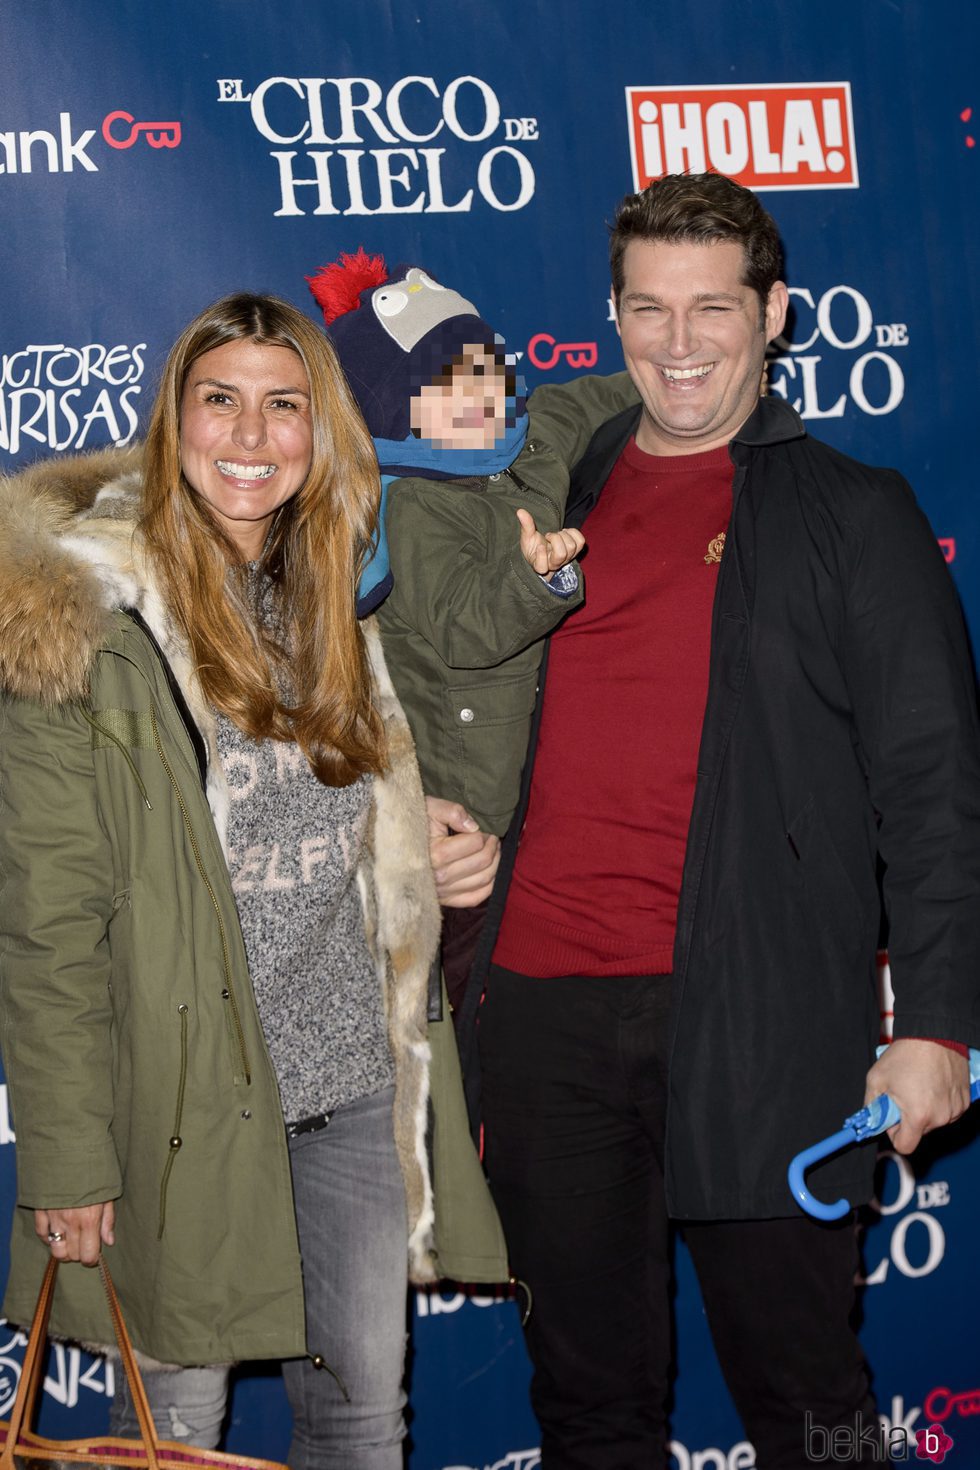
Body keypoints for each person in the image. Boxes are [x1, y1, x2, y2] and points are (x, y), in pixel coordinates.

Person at [454, 174, 980, 1467]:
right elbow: (456, 691)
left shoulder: (857, 513)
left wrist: (943, 1026)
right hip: (543, 1014)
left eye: (712, 309)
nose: (678, 343)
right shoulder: (550, 487)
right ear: (615, 315)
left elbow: (936, 788)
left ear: (774, 313)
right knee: (586, 1406)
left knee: (815, 1404)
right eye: (649, 308)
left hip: (761, 1015)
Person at [0, 292, 497, 1469]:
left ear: (320, 432)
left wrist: (420, 830)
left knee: (363, 1424)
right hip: (178, 1105)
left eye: (285, 407)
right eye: (219, 401)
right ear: (172, 422)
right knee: (181, 1439)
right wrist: (69, 1155)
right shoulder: (87, 615)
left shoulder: (326, 594)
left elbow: (331, 813)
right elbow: (47, 917)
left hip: (346, 1091)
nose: (251, 435)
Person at [307, 250, 636, 1010]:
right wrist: (537, 577)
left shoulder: (534, 432)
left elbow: (600, 398)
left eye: (488, 373)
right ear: (394, 410)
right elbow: (467, 629)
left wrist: (684, 387)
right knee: (461, 989)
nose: (482, 400)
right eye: (447, 390)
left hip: (553, 794)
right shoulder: (411, 507)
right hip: (466, 806)